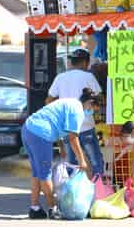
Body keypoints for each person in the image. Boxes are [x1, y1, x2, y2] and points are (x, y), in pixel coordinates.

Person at [22, 88, 101, 220]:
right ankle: (53, 209)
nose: (91, 112)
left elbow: (55, 122)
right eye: (93, 109)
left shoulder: (70, 102)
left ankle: (34, 208)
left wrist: (61, 147)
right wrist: (82, 160)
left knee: (37, 172)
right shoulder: (77, 111)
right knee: (45, 173)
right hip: (41, 134)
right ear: (89, 103)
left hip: (28, 129)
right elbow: (73, 138)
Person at [46, 48, 104, 177]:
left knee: (71, 163)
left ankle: (71, 194)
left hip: (67, 127)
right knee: (95, 161)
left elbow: (48, 100)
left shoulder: (60, 77)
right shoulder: (88, 76)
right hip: (86, 125)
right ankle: (99, 190)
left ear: (72, 62)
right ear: (85, 62)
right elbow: (100, 98)